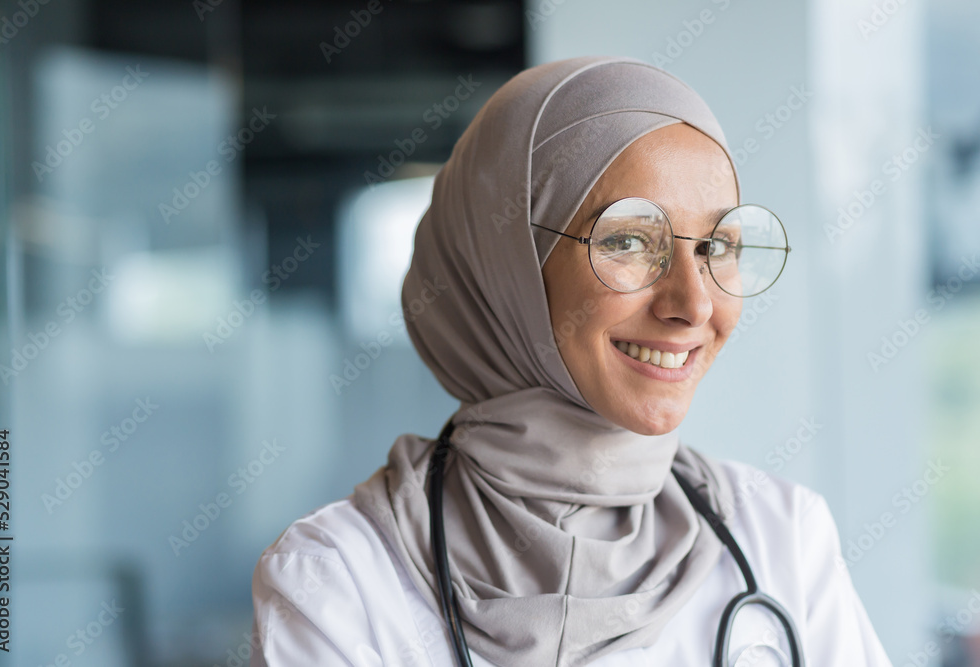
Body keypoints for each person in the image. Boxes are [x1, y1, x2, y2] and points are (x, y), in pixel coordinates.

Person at [249, 55, 893, 666]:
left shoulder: (783, 538)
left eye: (718, 246)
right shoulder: (337, 582)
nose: (694, 303)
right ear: (506, 267)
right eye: (630, 240)